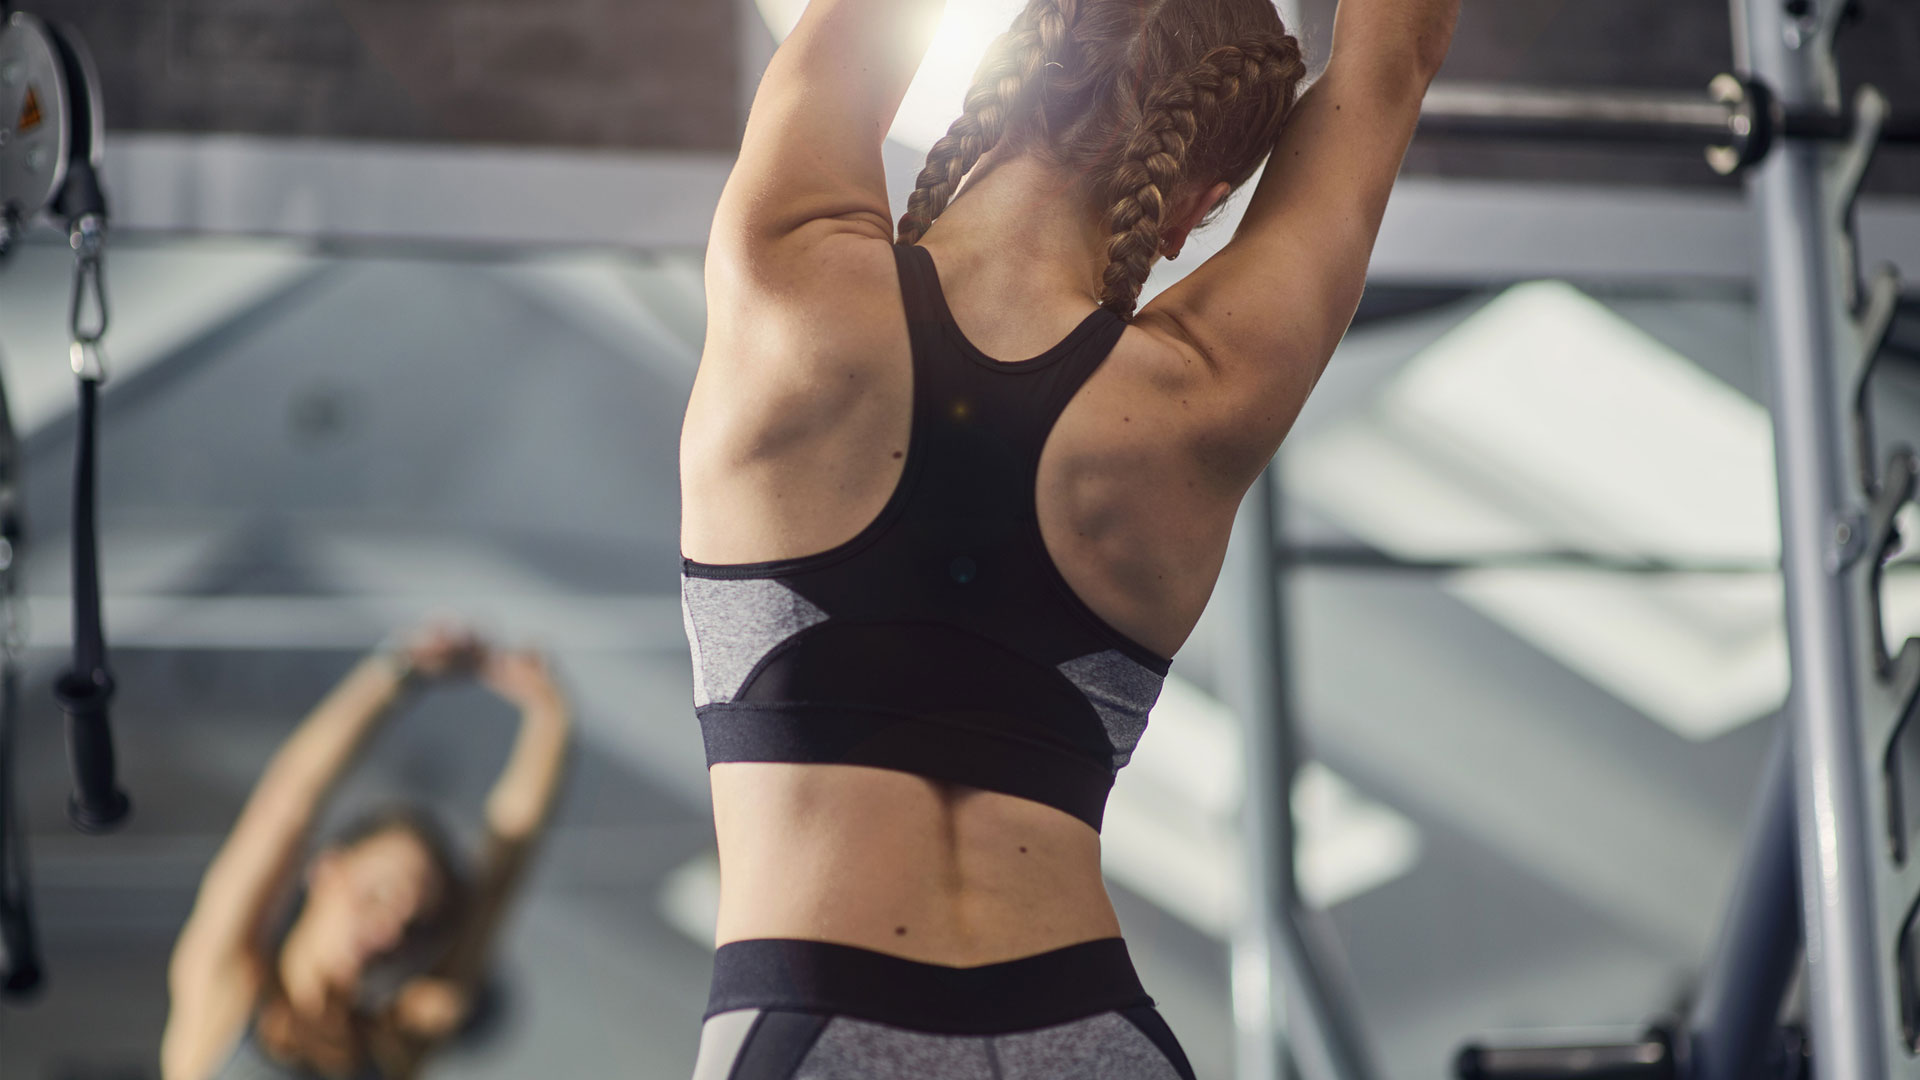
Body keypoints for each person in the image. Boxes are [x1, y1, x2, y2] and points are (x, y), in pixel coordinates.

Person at [680, 0, 1457, 1074]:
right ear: (1199, 205)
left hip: (816, 1019)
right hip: (1092, 1035)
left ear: (998, 74)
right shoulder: (1204, 396)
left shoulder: (787, 279)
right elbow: (1387, 67)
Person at [159, 625, 573, 1080]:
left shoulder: (393, 1046)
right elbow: (283, 809)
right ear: (327, 870)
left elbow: (498, 881)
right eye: (378, 894)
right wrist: (395, 671)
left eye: (412, 925)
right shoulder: (226, 992)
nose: (389, 929)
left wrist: (548, 718)